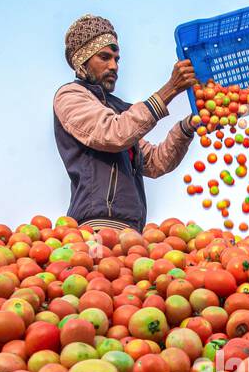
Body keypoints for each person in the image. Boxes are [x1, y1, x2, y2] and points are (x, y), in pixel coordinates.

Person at [53, 14, 198, 233]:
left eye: (117, 59)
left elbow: (155, 162)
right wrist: (170, 89)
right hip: (96, 230)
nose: (114, 66)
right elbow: (113, 133)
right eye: (104, 57)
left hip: (132, 232)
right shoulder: (71, 96)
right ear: (82, 61)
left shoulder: (119, 108)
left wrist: (188, 126)